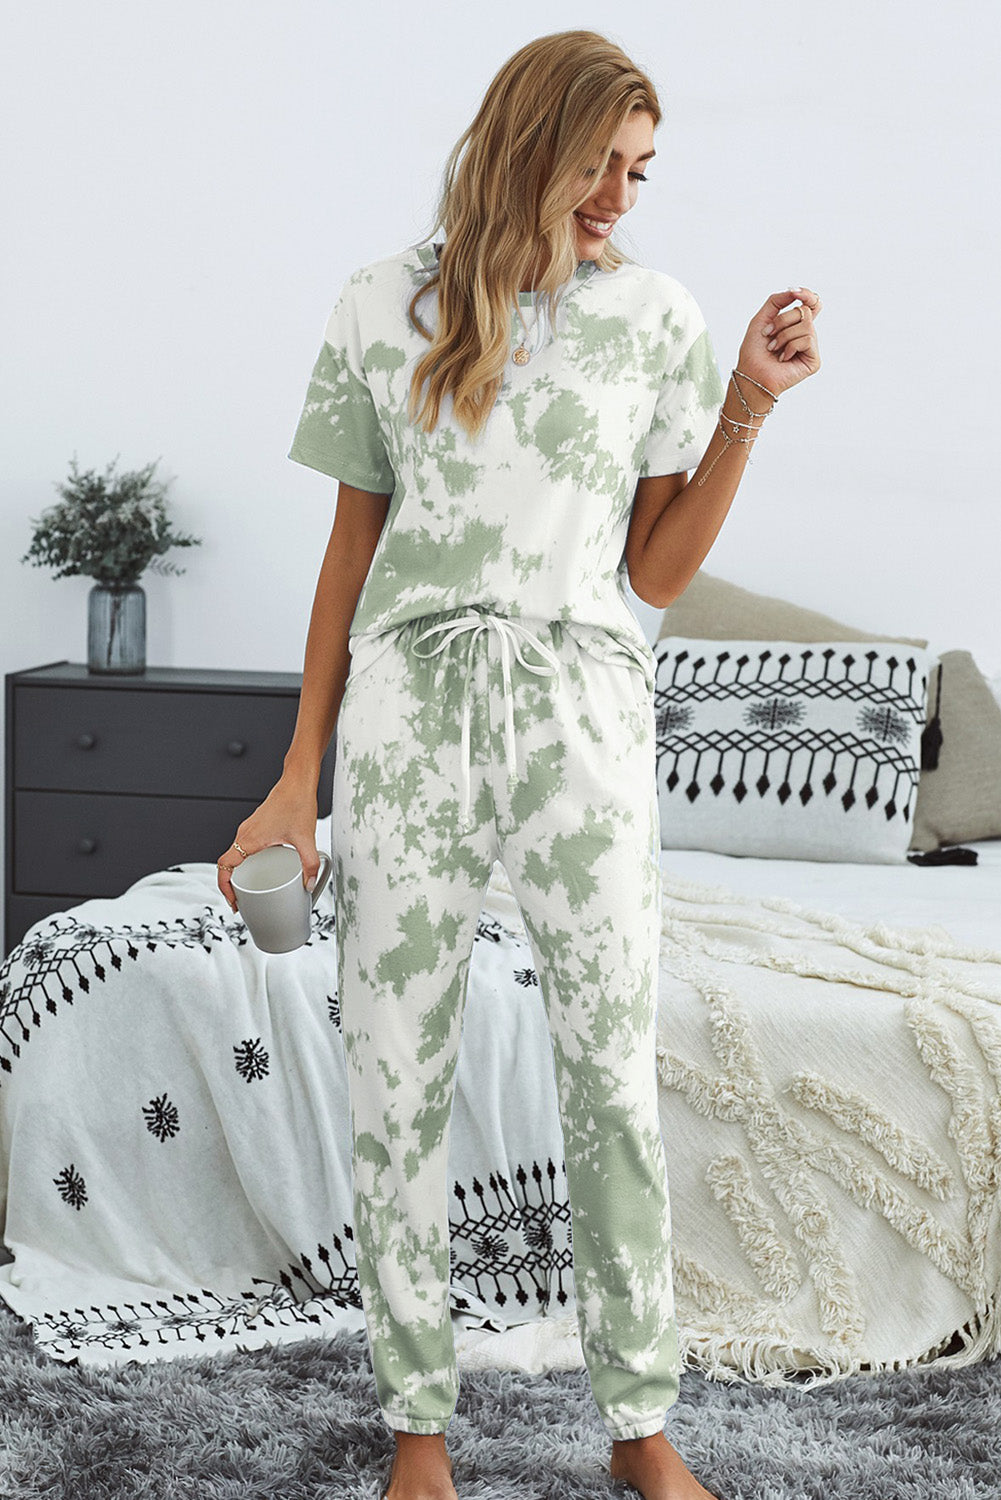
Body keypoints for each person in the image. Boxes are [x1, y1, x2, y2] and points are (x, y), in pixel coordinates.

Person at [216, 28, 820, 1500]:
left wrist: (747, 404)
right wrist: (296, 775)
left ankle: (640, 1426)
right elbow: (348, 557)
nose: (619, 197)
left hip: (581, 708)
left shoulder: (655, 318)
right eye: (596, 164)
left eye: (640, 172)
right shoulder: (383, 304)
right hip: (410, 710)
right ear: (525, 144)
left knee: (610, 1072)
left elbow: (654, 574)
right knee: (393, 1070)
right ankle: (417, 1431)